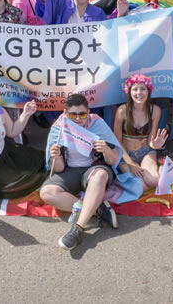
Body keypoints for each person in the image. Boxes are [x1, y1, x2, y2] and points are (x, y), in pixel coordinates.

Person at [42, 94, 125, 249]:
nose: (78, 118)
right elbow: (58, 168)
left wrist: (106, 149)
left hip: (93, 168)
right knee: (47, 192)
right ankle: (97, 208)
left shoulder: (97, 124)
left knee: (100, 175)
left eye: (82, 114)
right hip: (70, 171)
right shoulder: (58, 128)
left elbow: (114, 161)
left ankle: (78, 228)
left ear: (88, 112)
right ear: (66, 114)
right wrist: (56, 157)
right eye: (73, 114)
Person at [113, 75, 165, 189]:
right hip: (125, 153)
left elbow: (151, 140)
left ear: (148, 91)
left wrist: (155, 144)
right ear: (129, 92)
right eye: (135, 89)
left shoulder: (155, 110)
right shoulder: (122, 110)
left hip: (146, 151)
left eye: (143, 89)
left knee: (153, 181)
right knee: (139, 186)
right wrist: (131, 164)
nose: (139, 93)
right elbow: (117, 141)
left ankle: (162, 167)